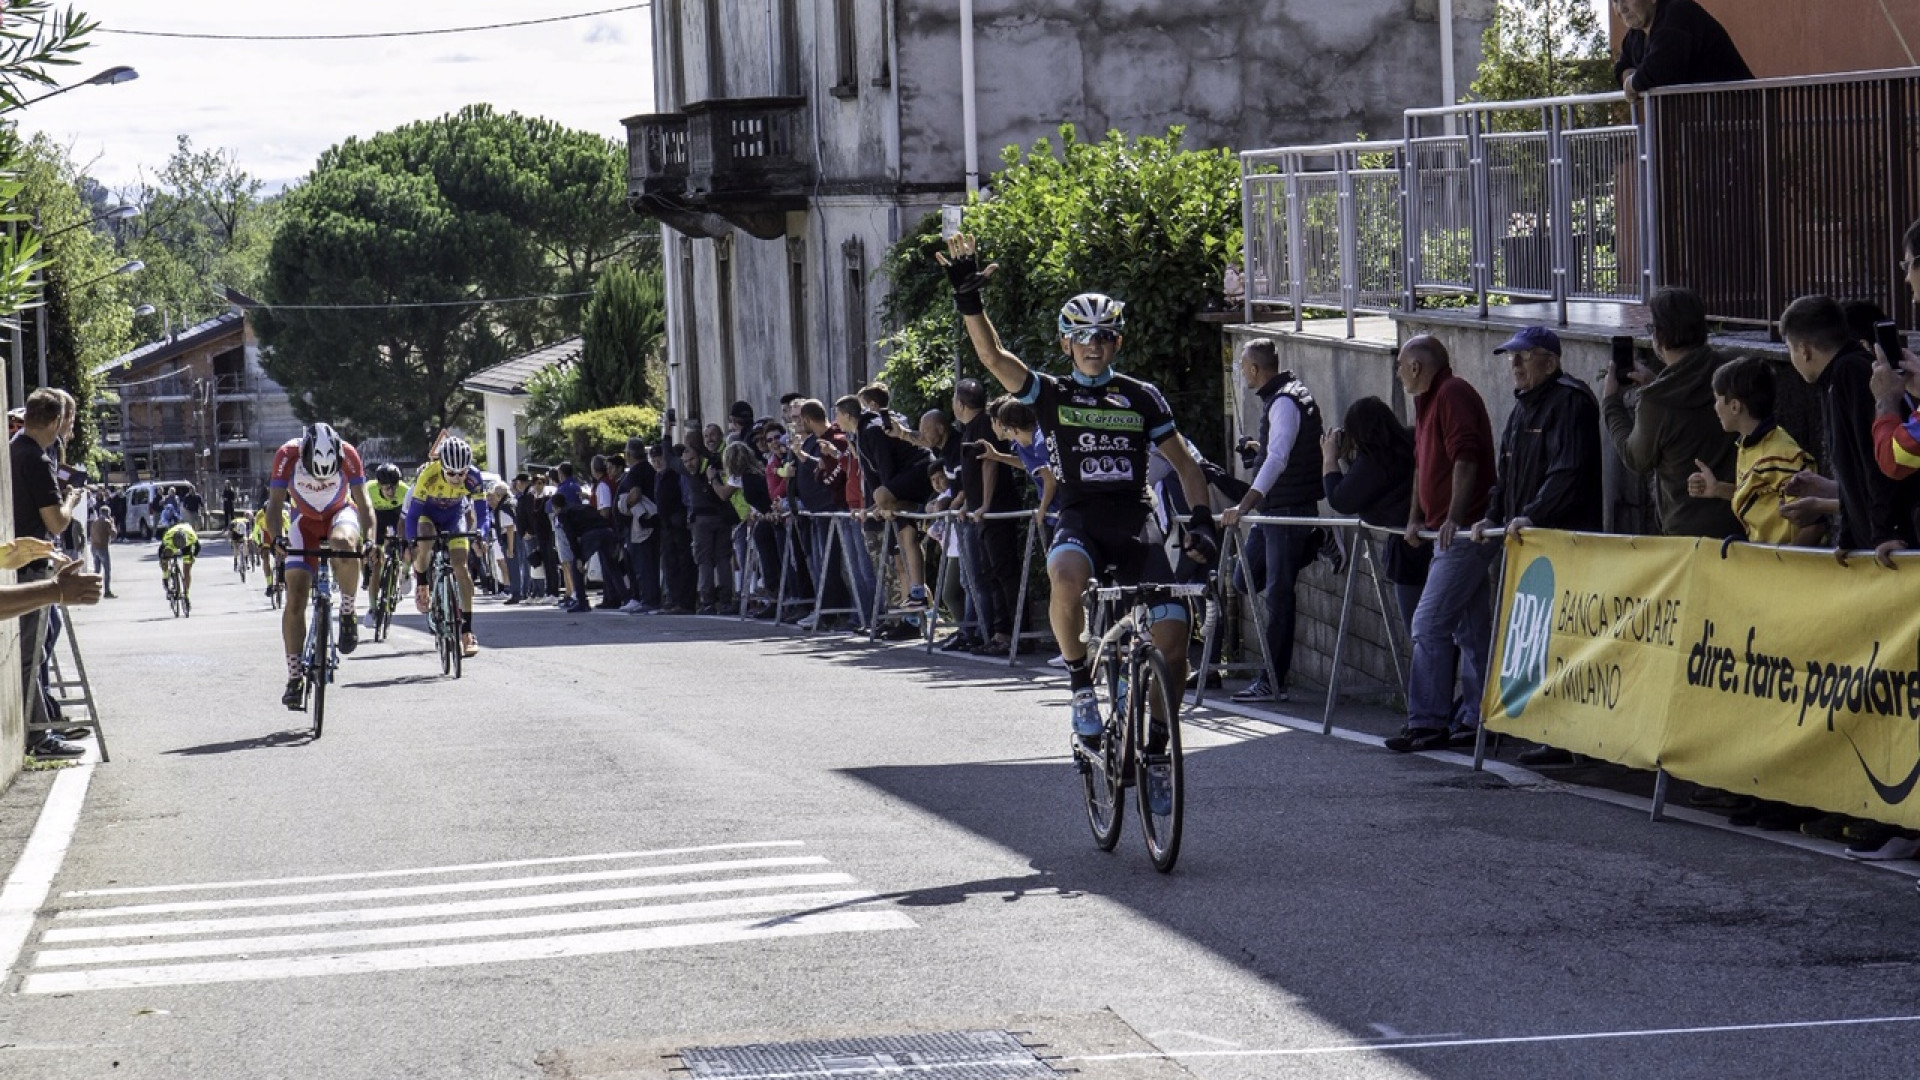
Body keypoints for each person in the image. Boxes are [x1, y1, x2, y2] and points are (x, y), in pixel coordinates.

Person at [939, 233, 1217, 812]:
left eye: (1106, 335)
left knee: (1173, 645)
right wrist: (969, 299)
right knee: (1064, 576)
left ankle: (1160, 751)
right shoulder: (1050, 392)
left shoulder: (1141, 397)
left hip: (1135, 520)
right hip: (1079, 517)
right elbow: (993, 358)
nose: (1095, 344)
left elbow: (1187, 468)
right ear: (1067, 343)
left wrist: (1201, 523)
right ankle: (1077, 682)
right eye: (1084, 336)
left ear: (1118, 341)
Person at [1468, 327, 1605, 766]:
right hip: (1526, 541)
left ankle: (1565, 736)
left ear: (1550, 360)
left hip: (1561, 540)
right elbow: (1505, 470)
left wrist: (1534, 515)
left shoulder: (1569, 400)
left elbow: (1567, 472)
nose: (1515, 366)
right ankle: (1543, 726)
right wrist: (1492, 516)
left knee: (1561, 640)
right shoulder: (1522, 404)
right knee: (1534, 639)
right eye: (1512, 359)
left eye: (1523, 358)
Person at [1387, 335, 1498, 754]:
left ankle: (1429, 721)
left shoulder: (1452, 394)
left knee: (1428, 624)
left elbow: (1465, 458)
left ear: (1416, 366)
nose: (1398, 373)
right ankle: (1477, 717)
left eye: (1400, 365)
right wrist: (1416, 516)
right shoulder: (1428, 400)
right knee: (1471, 630)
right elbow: (1423, 463)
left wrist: (1453, 516)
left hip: (1465, 531)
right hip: (1448, 529)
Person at [1220, 339, 1325, 704]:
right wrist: (1256, 450)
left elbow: (1279, 459)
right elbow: (1278, 451)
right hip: (1276, 510)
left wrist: (1245, 505)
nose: (1241, 373)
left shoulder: (1283, 402)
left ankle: (1272, 681)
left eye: (1243, 367)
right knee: (1243, 579)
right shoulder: (1283, 396)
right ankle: (1316, 542)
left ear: (1253, 369)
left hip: (1287, 510)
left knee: (1280, 595)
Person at [1603, 287, 1743, 539]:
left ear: (1658, 335)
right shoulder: (1731, 371)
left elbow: (1636, 458)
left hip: (1686, 531)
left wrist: (1611, 403)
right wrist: (1656, 383)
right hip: (1742, 521)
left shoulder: (1657, 401)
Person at [265, 422, 372, 709]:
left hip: (340, 513)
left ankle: (348, 612)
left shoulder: (349, 454)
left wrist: (371, 539)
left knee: (345, 545)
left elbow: (364, 502)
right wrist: (277, 537)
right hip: (304, 522)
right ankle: (294, 676)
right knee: (296, 596)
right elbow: (274, 505)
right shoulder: (287, 454)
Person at [12, 390, 87, 757]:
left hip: (22, 560)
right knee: (33, 654)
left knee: (35, 652)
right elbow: (55, 521)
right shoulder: (37, 458)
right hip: (31, 569)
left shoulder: (13, 448)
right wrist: (71, 499)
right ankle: (39, 736)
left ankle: (43, 727)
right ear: (56, 422)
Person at [1322, 396, 1428, 638]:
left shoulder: (1375, 461)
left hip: (1409, 551)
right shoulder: (1411, 441)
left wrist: (1329, 458)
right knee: (1442, 629)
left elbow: (1341, 499)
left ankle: (1429, 676)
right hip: (1433, 543)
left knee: (1419, 630)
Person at [1688, 356, 1819, 545]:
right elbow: (1762, 495)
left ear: (1734, 406)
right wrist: (1718, 489)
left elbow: (1814, 525)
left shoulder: (1782, 456)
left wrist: (1783, 564)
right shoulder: (1749, 444)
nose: (1715, 408)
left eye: (1717, 400)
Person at [404, 434, 489, 656]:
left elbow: (482, 511)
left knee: (461, 568)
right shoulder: (428, 475)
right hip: (428, 516)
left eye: (461, 473)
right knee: (425, 540)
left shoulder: (474, 477)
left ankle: (467, 632)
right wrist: (412, 540)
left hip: (454, 517)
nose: (457, 478)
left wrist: (482, 533)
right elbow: (412, 515)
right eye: (451, 473)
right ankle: (422, 582)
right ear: (442, 466)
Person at [1611, 0, 1752, 106]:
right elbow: (1621, 68)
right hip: (1705, 123)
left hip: (1743, 117)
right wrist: (1631, 80)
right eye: (1615, 1)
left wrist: (1632, 83)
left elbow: (1660, 69)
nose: (1621, 8)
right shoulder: (1636, 35)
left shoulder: (1677, 14)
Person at [365, 462, 411, 618]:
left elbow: (410, 518)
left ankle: (403, 574)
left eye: (394, 486)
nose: (391, 491)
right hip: (378, 518)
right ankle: (372, 607)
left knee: (407, 549)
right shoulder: (369, 489)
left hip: (398, 516)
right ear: (379, 485)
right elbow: (363, 515)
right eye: (387, 488)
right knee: (376, 563)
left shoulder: (405, 491)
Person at [157, 520, 200, 611]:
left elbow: (198, 547)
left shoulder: (191, 535)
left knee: (187, 569)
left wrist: (193, 557)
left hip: (186, 545)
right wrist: (163, 563)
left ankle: (186, 594)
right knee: (166, 556)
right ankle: (165, 577)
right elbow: (160, 551)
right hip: (172, 544)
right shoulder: (168, 537)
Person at [87, 499, 117, 598]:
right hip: (102, 548)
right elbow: (113, 535)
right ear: (107, 513)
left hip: (94, 547)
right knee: (107, 570)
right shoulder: (107, 522)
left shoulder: (94, 522)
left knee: (97, 570)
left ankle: (93, 591)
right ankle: (107, 591)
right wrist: (113, 524)